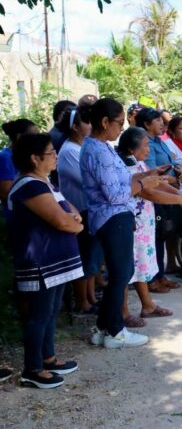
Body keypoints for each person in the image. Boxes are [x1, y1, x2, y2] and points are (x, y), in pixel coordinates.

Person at [80, 98, 165, 349]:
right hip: (112, 217)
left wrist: (145, 175)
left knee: (121, 273)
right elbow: (115, 194)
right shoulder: (97, 149)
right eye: (119, 123)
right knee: (121, 274)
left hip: (115, 216)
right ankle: (116, 331)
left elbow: (121, 179)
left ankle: (103, 326)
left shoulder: (102, 146)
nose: (122, 128)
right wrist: (143, 185)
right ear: (105, 122)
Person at [8, 133, 83, 388]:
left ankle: (48, 358)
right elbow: (62, 220)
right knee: (39, 315)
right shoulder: (29, 185)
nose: (56, 157)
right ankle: (33, 369)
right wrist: (73, 224)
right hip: (41, 263)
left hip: (56, 263)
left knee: (50, 312)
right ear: (34, 158)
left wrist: (73, 222)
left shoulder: (46, 182)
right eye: (51, 153)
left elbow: (71, 212)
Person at [117, 127, 182, 327]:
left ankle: (147, 305)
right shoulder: (126, 168)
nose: (149, 150)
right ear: (132, 149)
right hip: (133, 224)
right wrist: (177, 200)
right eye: (146, 145)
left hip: (144, 224)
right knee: (127, 268)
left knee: (140, 265)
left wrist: (179, 196)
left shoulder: (138, 164)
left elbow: (156, 185)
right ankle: (123, 312)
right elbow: (149, 193)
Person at [56, 106, 102, 315]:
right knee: (85, 255)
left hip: (90, 208)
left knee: (92, 256)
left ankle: (91, 297)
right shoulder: (69, 151)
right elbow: (87, 181)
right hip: (80, 209)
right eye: (86, 122)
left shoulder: (83, 147)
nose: (91, 126)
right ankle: (82, 301)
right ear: (75, 127)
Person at [136, 108, 181, 293]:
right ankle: (152, 278)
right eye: (157, 120)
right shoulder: (146, 145)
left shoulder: (159, 141)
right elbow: (152, 173)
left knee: (162, 234)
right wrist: (170, 180)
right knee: (153, 238)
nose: (162, 123)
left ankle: (160, 274)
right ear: (146, 124)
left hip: (166, 190)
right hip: (153, 195)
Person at [1, 119, 39, 219]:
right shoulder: (5, 158)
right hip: (18, 216)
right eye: (33, 134)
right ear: (19, 137)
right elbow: (6, 192)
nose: (37, 138)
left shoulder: (25, 155)